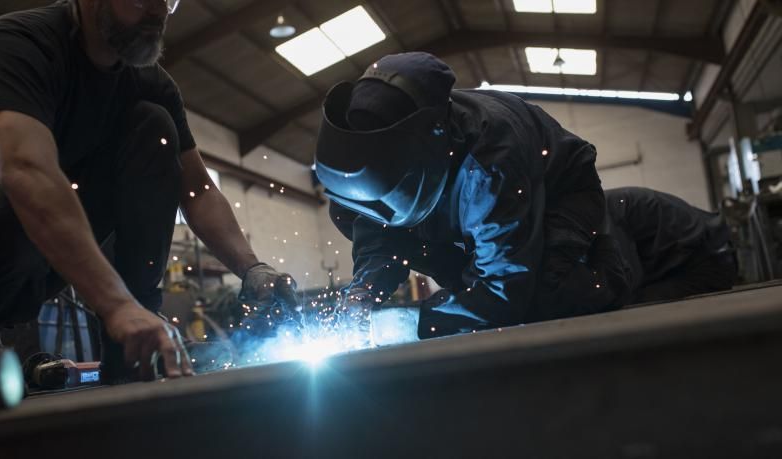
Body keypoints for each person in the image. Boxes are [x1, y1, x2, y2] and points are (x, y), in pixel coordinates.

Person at [0, 0, 296, 381]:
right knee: (25, 197)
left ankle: (131, 347)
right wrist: (115, 304)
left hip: (37, 260)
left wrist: (253, 268)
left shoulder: (150, 84)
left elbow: (197, 191)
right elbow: (27, 172)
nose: (158, 11)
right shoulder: (22, 46)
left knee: (154, 125)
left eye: (169, 0)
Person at [316, 52, 631, 338]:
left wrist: (409, 324)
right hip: (452, 208)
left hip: (560, 193)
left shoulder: (490, 163)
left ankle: (613, 272)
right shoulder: (371, 157)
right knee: (467, 299)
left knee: (541, 297)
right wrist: (363, 293)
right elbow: (380, 231)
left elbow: (504, 287)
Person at [605, 187, 737, 304]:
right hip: (699, 258)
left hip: (706, 263)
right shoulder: (602, 207)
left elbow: (625, 282)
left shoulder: (603, 216)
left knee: (634, 304)